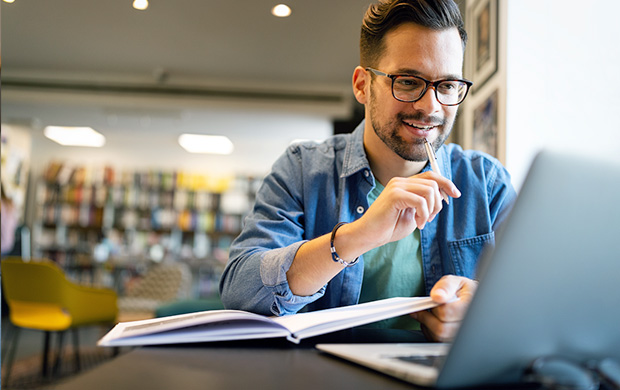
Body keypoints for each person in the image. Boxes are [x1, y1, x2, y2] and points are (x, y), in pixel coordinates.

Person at [220, 0, 516, 342]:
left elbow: (536, 302)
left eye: (447, 86)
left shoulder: (487, 184)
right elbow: (241, 289)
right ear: (362, 85)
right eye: (408, 81)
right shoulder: (302, 168)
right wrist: (356, 237)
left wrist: (481, 311)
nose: (430, 107)